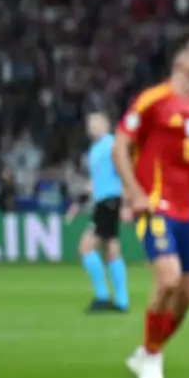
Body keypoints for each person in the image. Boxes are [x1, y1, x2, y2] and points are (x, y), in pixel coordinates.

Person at [113, 33, 189, 378]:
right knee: (167, 278)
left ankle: (148, 350)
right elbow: (120, 148)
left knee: (187, 295)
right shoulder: (152, 100)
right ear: (182, 60)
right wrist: (134, 194)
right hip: (155, 204)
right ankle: (152, 356)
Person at [68, 112, 130, 314]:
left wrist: (128, 202)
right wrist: (78, 204)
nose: (92, 127)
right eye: (89, 124)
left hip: (110, 200)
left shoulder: (112, 145)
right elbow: (93, 182)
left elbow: (125, 170)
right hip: (103, 201)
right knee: (111, 248)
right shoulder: (95, 150)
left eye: (96, 123)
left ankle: (102, 296)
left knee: (86, 246)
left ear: (106, 125)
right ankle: (121, 301)